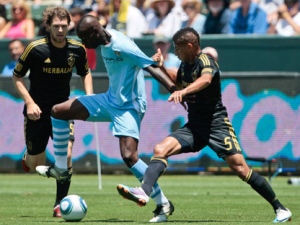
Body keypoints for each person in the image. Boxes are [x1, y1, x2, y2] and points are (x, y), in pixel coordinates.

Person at [116, 27, 292, 223]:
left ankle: (281, 208)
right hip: (195, 126)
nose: (177, 52)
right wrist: (162, 66)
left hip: (217, 125)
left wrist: (182, 92)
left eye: (178, 48)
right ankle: (145, 193)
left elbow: (206, 79)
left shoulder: (207, 61)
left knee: (241, 169)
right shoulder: (185, 65)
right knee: (160, 149)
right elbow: (177, 78)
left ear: (190, 46)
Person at [35, 14, 179, 223]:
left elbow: (151, 67)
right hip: (110, 100)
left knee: (129, 156)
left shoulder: (122, 44)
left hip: (129, 105)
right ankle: (60, 168)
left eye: (86, 38)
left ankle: (163, 204)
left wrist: (173, 89)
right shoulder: (103, 40)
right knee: (58, 111)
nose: (84, 43)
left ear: (95, 32)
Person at [12, 6, 93, 218]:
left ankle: (59, 204)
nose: (59, 30)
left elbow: (86, 72)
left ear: (70, 26)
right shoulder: (35, 48)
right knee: (35, 164)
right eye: (56, 26)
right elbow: (17, 77)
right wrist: (29, 103)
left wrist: (90, 97)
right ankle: (28, 156)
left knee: (65, 156)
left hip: (63, 110)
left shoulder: (77, 48)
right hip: (36, 111)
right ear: (48, 26)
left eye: (63, 26)